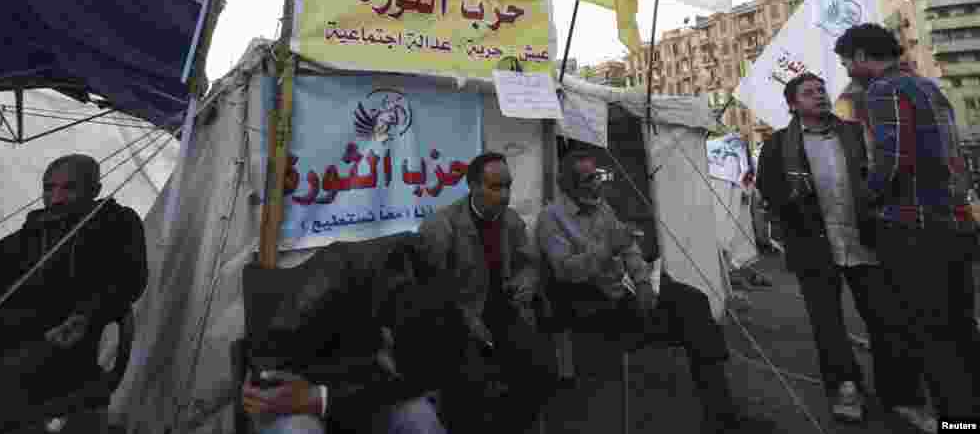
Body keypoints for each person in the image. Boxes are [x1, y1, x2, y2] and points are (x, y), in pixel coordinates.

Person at [537, 150, 774, 434]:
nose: (597, 184)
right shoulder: (550, 219)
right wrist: (606, 250)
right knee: (693, 322)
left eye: (597, 176)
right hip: (595, 305)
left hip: (625, 291)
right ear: (569, 185)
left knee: (694, 302)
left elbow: (629, 248)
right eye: (589, 179)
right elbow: (566, 271)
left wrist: (643, 282)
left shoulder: (601, 208)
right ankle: (721, 415)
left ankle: (719, 411)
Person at [756, 72, 935, 428]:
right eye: (809, 92)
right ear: (793, 104)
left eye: (821, 90)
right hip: (813, 247)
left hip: (864, 242)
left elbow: (881, 176)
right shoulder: (778, 145)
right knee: (828, 325)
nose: (819, 96)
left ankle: (902, 397)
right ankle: (846, 389)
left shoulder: (853, 133)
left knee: (886, 321)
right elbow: (768, 189)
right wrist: (794, 206)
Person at [835, 22, 979, 421]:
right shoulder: (927, 86)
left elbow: (892, 159)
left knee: (932, 335)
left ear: (863, 56)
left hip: (912, 229)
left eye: (846, 59)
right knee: (962, 328)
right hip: (951, 223)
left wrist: (866, 199)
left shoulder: (884, 90)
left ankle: (958, 420)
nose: (846, 68)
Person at [0, 154, 148, 432]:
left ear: (94, 190)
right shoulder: (37, 228)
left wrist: (86, 314)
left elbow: (129, 280)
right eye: (49, 188)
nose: (56, 198)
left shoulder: (116, 222)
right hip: (11, 333)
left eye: (69, 188)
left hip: (65, 344)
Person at [241, 233, 457, 434]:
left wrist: (326, 398)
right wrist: (316, 395)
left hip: (352, 396)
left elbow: (414, 381)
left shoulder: (432, 295)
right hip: (297, 397)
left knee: (420, 419)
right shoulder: (323, 285)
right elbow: (269, 375)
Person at [418, 152, 558, 432]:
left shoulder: (511, 221)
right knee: (472, 385)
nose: (505, 195)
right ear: (473, 186)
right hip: (460, 321)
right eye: (496, 187)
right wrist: (468, 321)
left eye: (508, 186)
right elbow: (431, 288)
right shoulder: (442, 225)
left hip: (505, 313)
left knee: (544, 370)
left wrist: (527, 281)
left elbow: (529, 262)